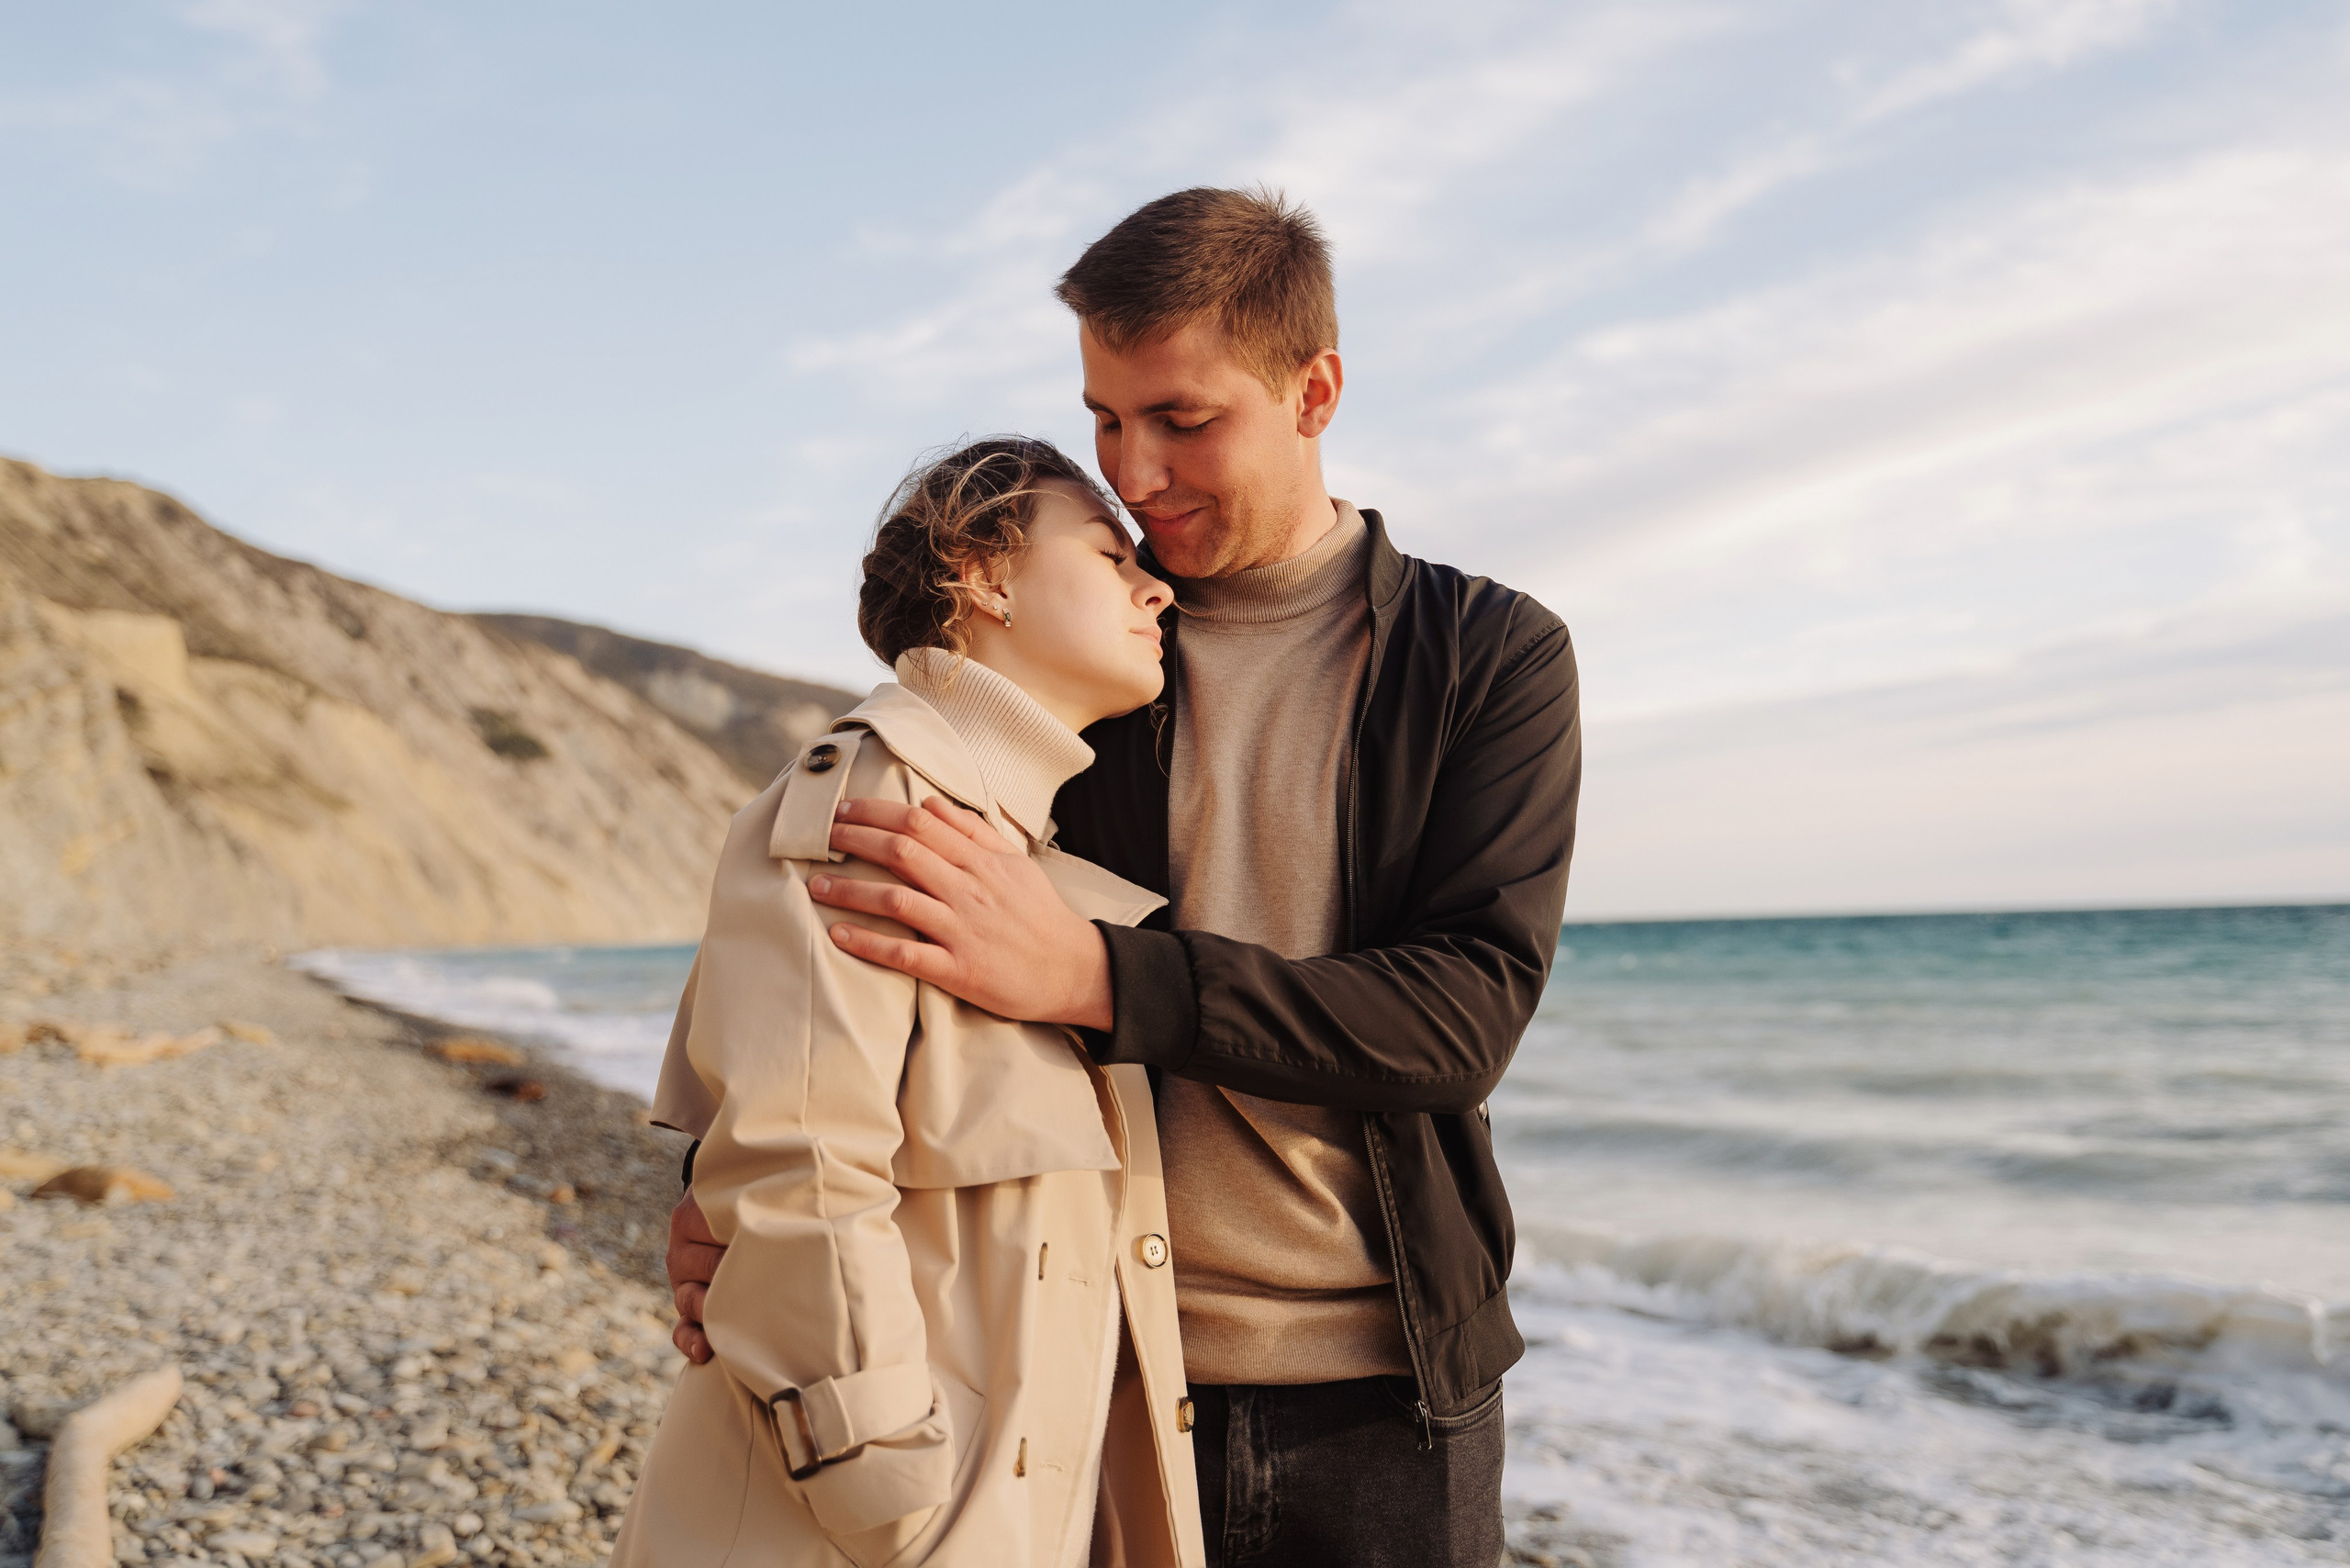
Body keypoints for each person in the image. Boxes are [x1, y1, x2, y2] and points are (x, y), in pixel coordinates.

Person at [671, 187, 1583, 1567]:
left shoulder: (1488, 656)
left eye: (1183, 420)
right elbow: (847, 963)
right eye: (1105, 419)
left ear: (1314, 388)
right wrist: (718, 1195)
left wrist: (1094, 976)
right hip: (1084, 1368)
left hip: (1392, 1403)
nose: (1136, 473)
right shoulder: (1079, 653)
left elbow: (1458, 1019)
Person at [615, 438, 1206, 1568]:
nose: (1154, 584)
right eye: (1104, 550)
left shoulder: (1014, 847)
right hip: (867, 1528)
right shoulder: (878, 799)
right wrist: (883, 1485)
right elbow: (798, 1161)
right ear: (983, 573)